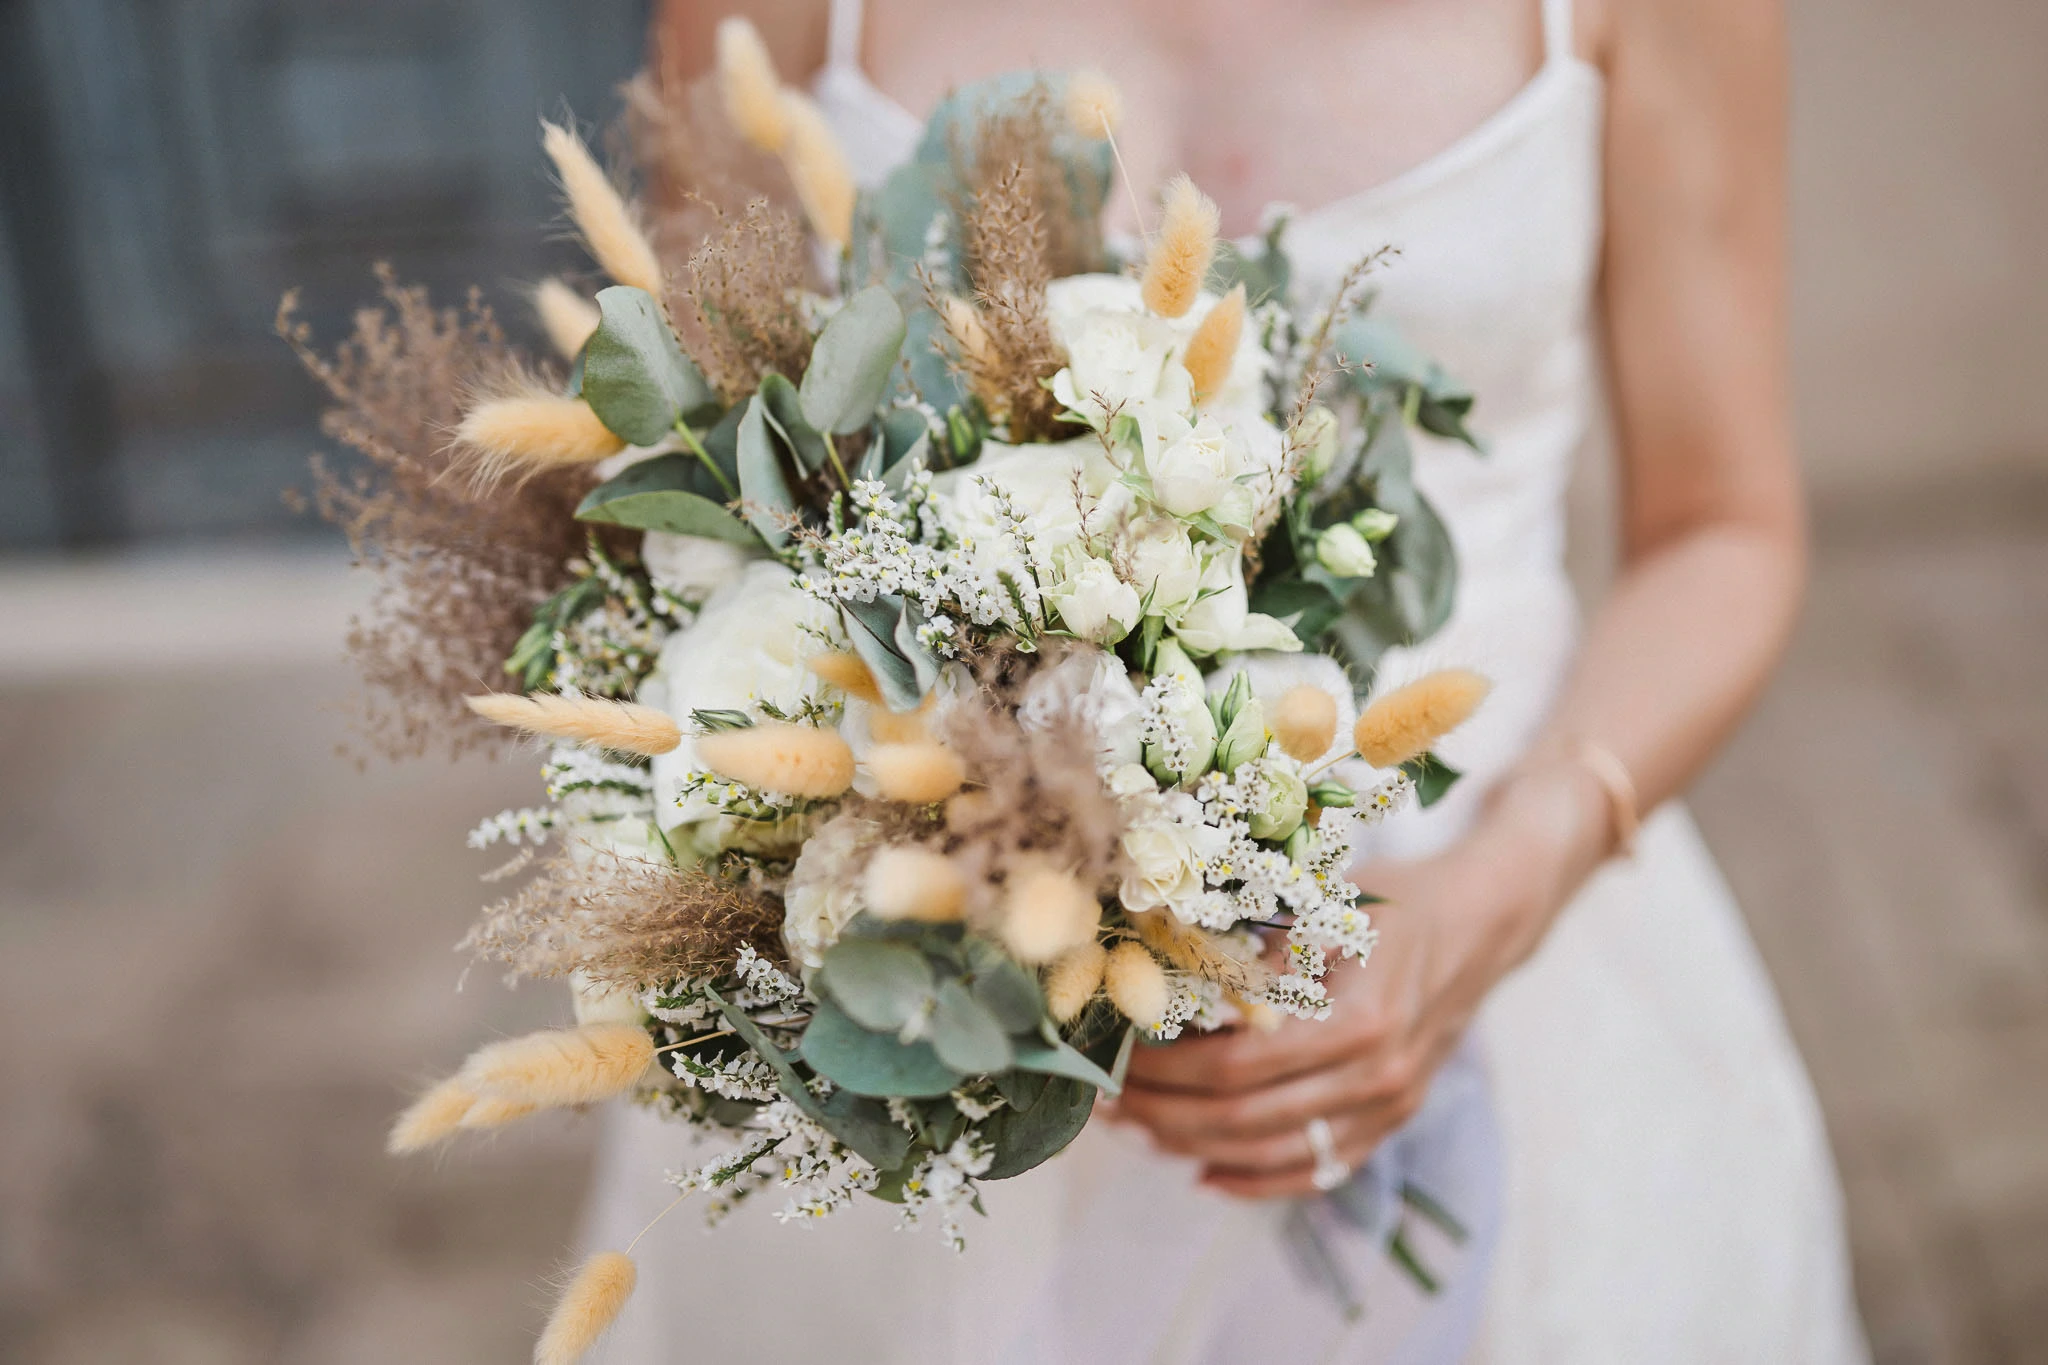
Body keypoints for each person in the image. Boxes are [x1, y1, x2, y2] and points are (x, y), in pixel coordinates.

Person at [578, 0, 1872, 1358]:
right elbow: (693, 483)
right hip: (920, 982)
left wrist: (1501, 892)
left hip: (1497, 910)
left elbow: (1724, 528)